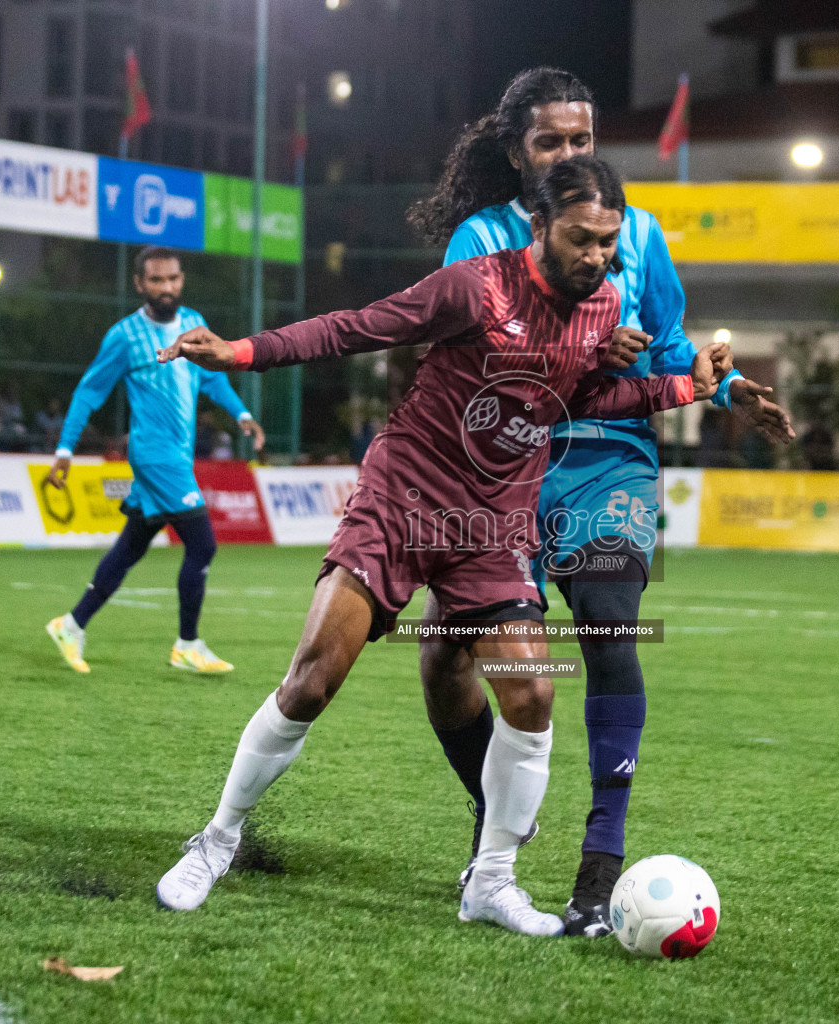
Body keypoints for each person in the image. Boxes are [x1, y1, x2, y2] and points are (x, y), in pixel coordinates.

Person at [151, 156, 727, 936]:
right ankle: (215, 842)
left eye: (609, 242)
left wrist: (685, 385)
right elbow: (354, 327)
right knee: (314, 680)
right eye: (582, 239)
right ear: (541, 228)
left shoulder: (609, 305)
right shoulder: (477, 286)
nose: (598, 256)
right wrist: (243, 353)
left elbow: (576, 401)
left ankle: (491, 882)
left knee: (532, 695)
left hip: (492, 524)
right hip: (404, 498)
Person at [404, 67, 792, 937]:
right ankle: (498, 818)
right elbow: (479, 361)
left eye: (581, 139)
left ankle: (598, 869)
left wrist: (726, 391)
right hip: (507, 466)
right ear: (516, 154)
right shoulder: (479, 240)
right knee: (444, 660)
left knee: (611, 631)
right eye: (550, 142)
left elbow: (675, 349)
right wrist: (579, 355)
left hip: (610, 459)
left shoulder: (638, 230)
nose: (570, 154)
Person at [43, 246, 265, 676]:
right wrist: (65, 450)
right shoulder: (125, 336)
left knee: (130, 547)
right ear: (140, 284)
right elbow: (89, 391)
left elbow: (211, 378)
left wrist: (242, 415)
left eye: (174, 279)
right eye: (157, 280)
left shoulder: (193, 325)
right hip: (154, 455)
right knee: (202, 543)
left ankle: (71, 625)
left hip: (176, 453)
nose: (167, 287)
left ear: (182, 280)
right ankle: (187, 644)